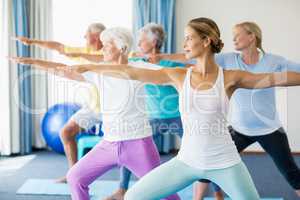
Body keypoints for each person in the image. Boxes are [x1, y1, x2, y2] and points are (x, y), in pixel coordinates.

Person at [10, 27, 180, 200]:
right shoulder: (99, 71)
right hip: (109, 144)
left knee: (167, 194)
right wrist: (33, 62)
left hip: (138, 144)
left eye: (107, 45)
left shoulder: (140, 67)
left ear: (121, 48)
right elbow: (63, 69)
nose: (102, 49)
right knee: (75, 178)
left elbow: (170, 76)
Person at [155, 21, 300, 199]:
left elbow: (296, 72)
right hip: (239, 128)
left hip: (269, 128)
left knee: (291, 172)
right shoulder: (228, 59)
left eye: (238, 35)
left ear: (252, 36)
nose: (234, 39)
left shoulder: (275, 61)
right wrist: (161, 57)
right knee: (207, 162)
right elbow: (190, 56)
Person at [15, 23, 106, 183]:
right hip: (93, 108)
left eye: (86, 34)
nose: (84, 37)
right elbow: (58, 47)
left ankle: (123, 185)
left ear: (96, 36)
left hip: (112, 110)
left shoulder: (109, 54)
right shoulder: (83, 52)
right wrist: (32, 43)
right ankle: (73, 175)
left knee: (121, 144)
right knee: (66, 132)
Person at [105, 23, 185, 200]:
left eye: (142, 41)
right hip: (152, 119)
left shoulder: (170, 64)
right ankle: (122, 190)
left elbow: (190, 64)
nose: (139, 44)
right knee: (129, 148)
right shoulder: (136, 63)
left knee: (200, 149)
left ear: (154, 42)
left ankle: (217, 192)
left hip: (176, 117)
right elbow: (115, 63)